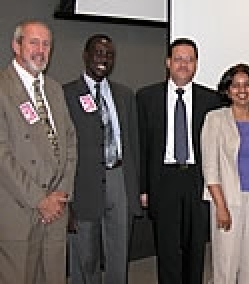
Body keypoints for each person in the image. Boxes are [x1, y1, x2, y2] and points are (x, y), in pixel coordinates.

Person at [136, 38, 221, 284]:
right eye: (178, 59)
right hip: (163, 179)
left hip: (197, 179)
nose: (184, 64)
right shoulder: (147, 97)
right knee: (167, 249)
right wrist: (143, 188)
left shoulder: (211, 100)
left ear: (196, 64)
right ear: (168, 63)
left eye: (189, 60)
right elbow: (142, 146)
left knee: (196, 247)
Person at [0, 20, 77, 284]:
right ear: (16, 46)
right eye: (34, 42)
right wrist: (39, 199)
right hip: (18, 209)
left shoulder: (54, 90)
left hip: (56, 208)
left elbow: (70, 143)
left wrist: (60, 196)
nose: (40, 50)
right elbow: (1, 154)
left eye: (46, 44)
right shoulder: (2, 88)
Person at [63, 34, 142, 284]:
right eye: (98, 53)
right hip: (83, 182)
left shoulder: (125, 94)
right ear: (86, 56)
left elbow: (133, 144)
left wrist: (136, 188)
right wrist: (66, 198)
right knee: (85, 255)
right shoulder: (66, 94)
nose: (103, 59)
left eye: (108, 55)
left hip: (119, 179)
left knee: (119, 251)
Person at [201, 63, 249, 283]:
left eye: (247, 85)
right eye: (235, 85)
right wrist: (221, 207)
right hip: (227, 200)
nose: (242, 90)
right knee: (226, 264)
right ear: (227, 90)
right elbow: (210, 168)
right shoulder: (215, 119)